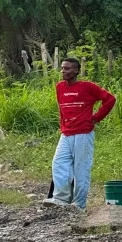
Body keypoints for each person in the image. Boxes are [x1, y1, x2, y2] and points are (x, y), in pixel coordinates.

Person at [44, 58, 116, 210]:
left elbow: (110, 99)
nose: (63, 71)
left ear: (76, 70)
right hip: (66, 133)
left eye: (67, 68)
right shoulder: (60, 87)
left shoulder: (87, 86)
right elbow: (62, 109)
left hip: (83, 133)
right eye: (62, 68)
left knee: (81, 169)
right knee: (59, 164)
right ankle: (60, 199)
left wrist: (96, 118)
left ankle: (79, 204)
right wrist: (62, 126)